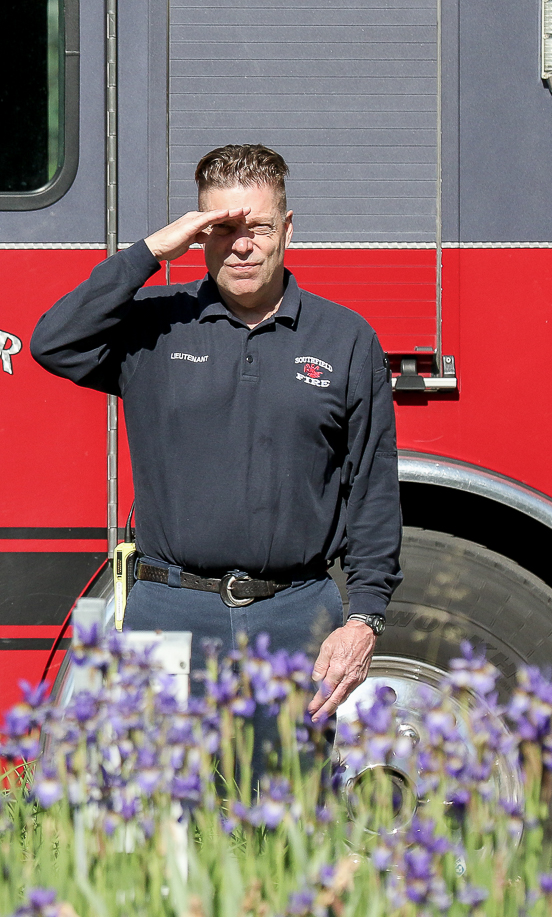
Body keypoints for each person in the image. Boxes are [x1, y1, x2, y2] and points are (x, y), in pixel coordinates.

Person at [31, 144, 401, 723]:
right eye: (223, 229)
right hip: (166, 609)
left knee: (286, 783)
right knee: (161, 784)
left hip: (296, 613)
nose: (242, 246)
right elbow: (52, 342)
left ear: (287, 229)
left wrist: (365, 617)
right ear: (199, 234)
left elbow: (372, 488)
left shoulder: (346, 338)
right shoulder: (154, 325)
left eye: (258, 228)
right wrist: (150, 252)